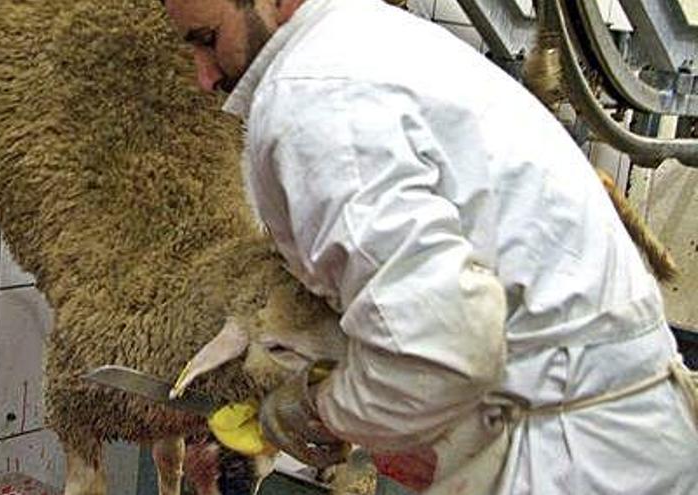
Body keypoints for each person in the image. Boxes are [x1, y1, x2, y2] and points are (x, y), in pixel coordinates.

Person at [161, 0, 698, 492]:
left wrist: (319, 409)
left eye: (208, 40)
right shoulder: (363, 42)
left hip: (574, 455)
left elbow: (435, 344)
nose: (204, 77)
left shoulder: (312, 101)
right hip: (605, 425)